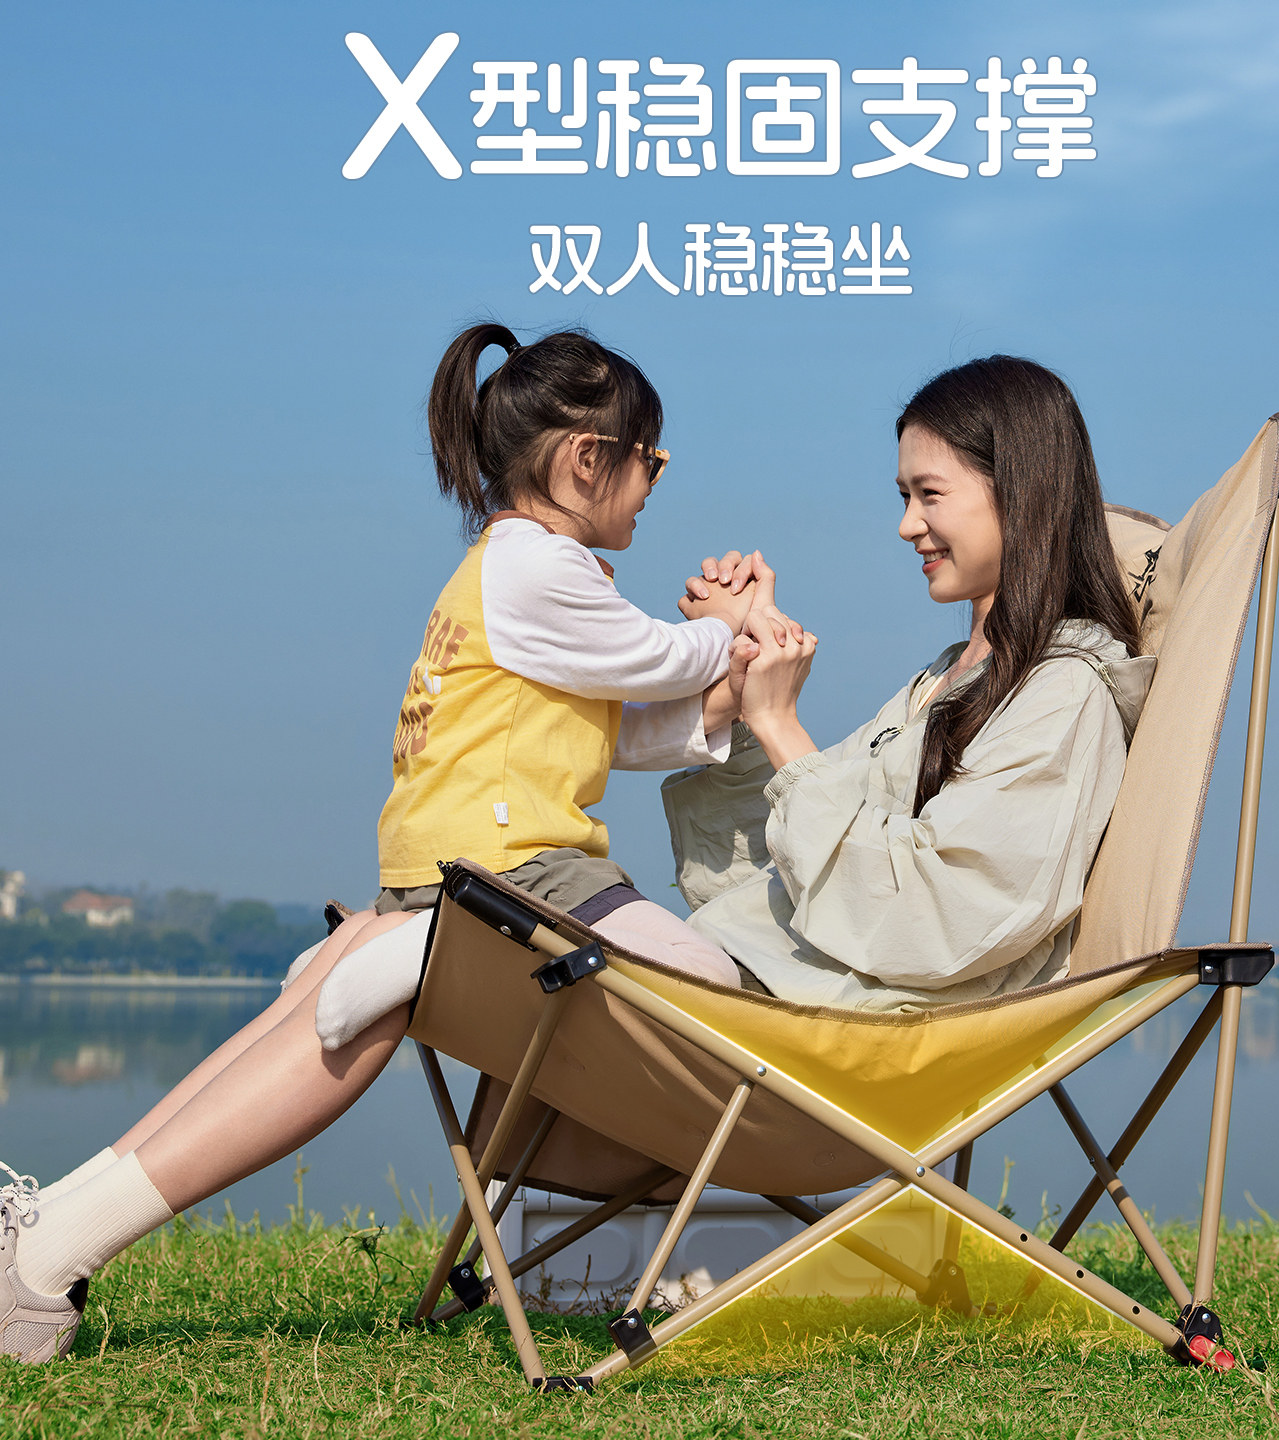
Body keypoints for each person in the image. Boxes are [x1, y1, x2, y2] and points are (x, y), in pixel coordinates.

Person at [0, 322, 796, 1364]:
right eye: (652, 459)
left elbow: (621, 726)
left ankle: (46, 1238)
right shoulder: (540, 570)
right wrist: (733, 622)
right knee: (710, 992)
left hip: (457, 872)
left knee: (314, 1020)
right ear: (584, 459)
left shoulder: (515, 572)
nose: (654, 482)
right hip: (522, 876)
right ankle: (418, 976)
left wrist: (729, 689)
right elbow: (659, 657)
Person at [666, 354, 1152, 1009]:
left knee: (556, 948)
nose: (906, 525)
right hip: (767, 977)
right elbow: (778, 868)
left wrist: (782, 725)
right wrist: (748, 687)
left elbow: (940, 918)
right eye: (904, 496)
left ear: (1020, 491)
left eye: (930, 494)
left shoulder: (1064, 694)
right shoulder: (945, 680)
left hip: (827, 1018)